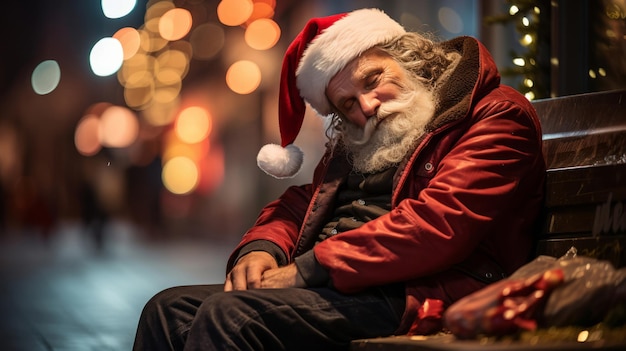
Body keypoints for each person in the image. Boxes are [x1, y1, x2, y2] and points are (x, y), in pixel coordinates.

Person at [133, 8, 546, 351]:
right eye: (348, 102)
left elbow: (439, 224)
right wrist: (261, 250)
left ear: (407, 57)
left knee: (232, 317)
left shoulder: (494, 114)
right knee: (168, 309)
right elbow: (302, 203)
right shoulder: (362, 139)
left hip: (421, 291)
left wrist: (306, 270)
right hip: (344, 282)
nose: (366, 105)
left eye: (374, 79)